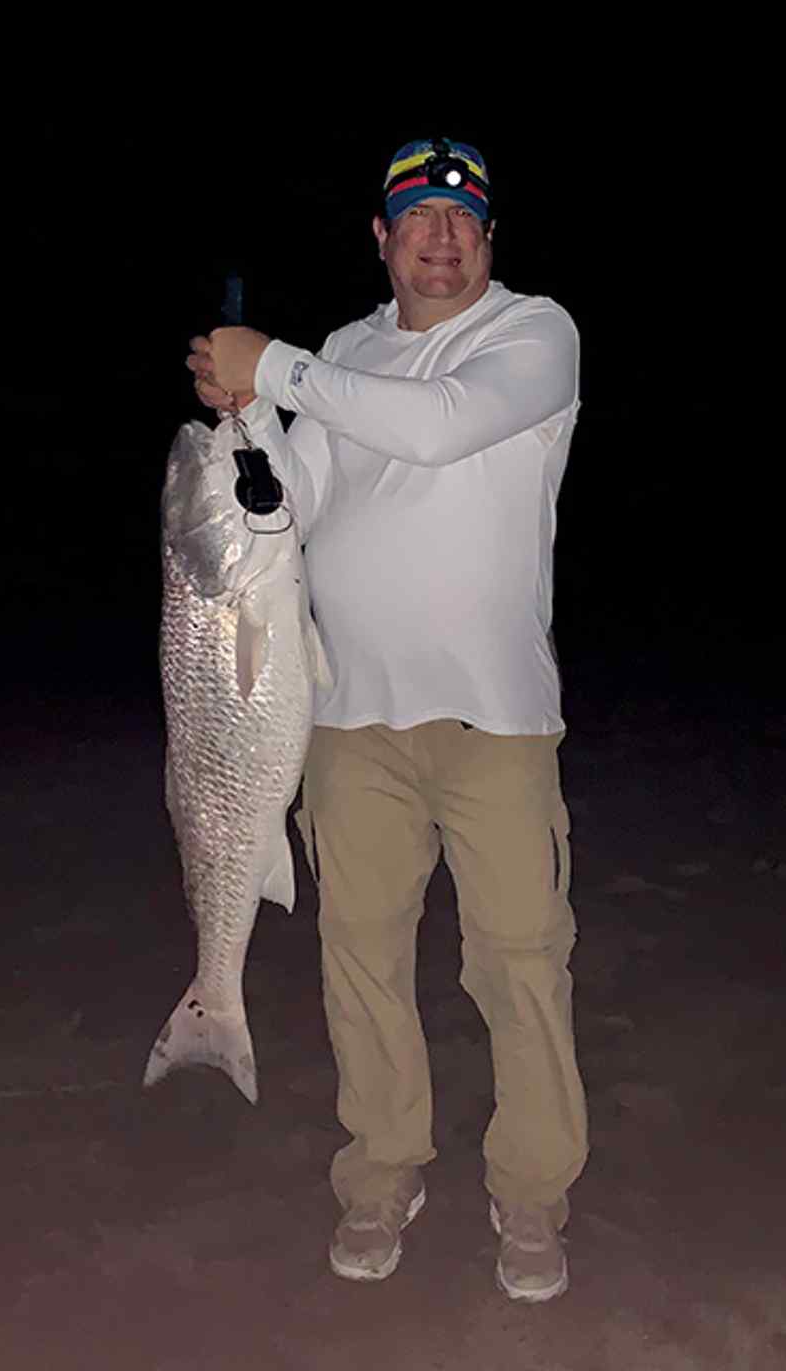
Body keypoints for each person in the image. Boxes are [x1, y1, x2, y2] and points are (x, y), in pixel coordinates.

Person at [186, 137, 586, 1302]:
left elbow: (441, 425)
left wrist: (278, 368)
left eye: (462, 218)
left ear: (489, 237)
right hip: (346, 717)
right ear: (381, 237)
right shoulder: (349, 354)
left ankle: (531, 1192)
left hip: (495, 719)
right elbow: (294, 503)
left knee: (519, 965)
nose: (441, 237)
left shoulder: (533, 336)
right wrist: (247, 423)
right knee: (360, 960)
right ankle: (381, 1173)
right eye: (417, 217)